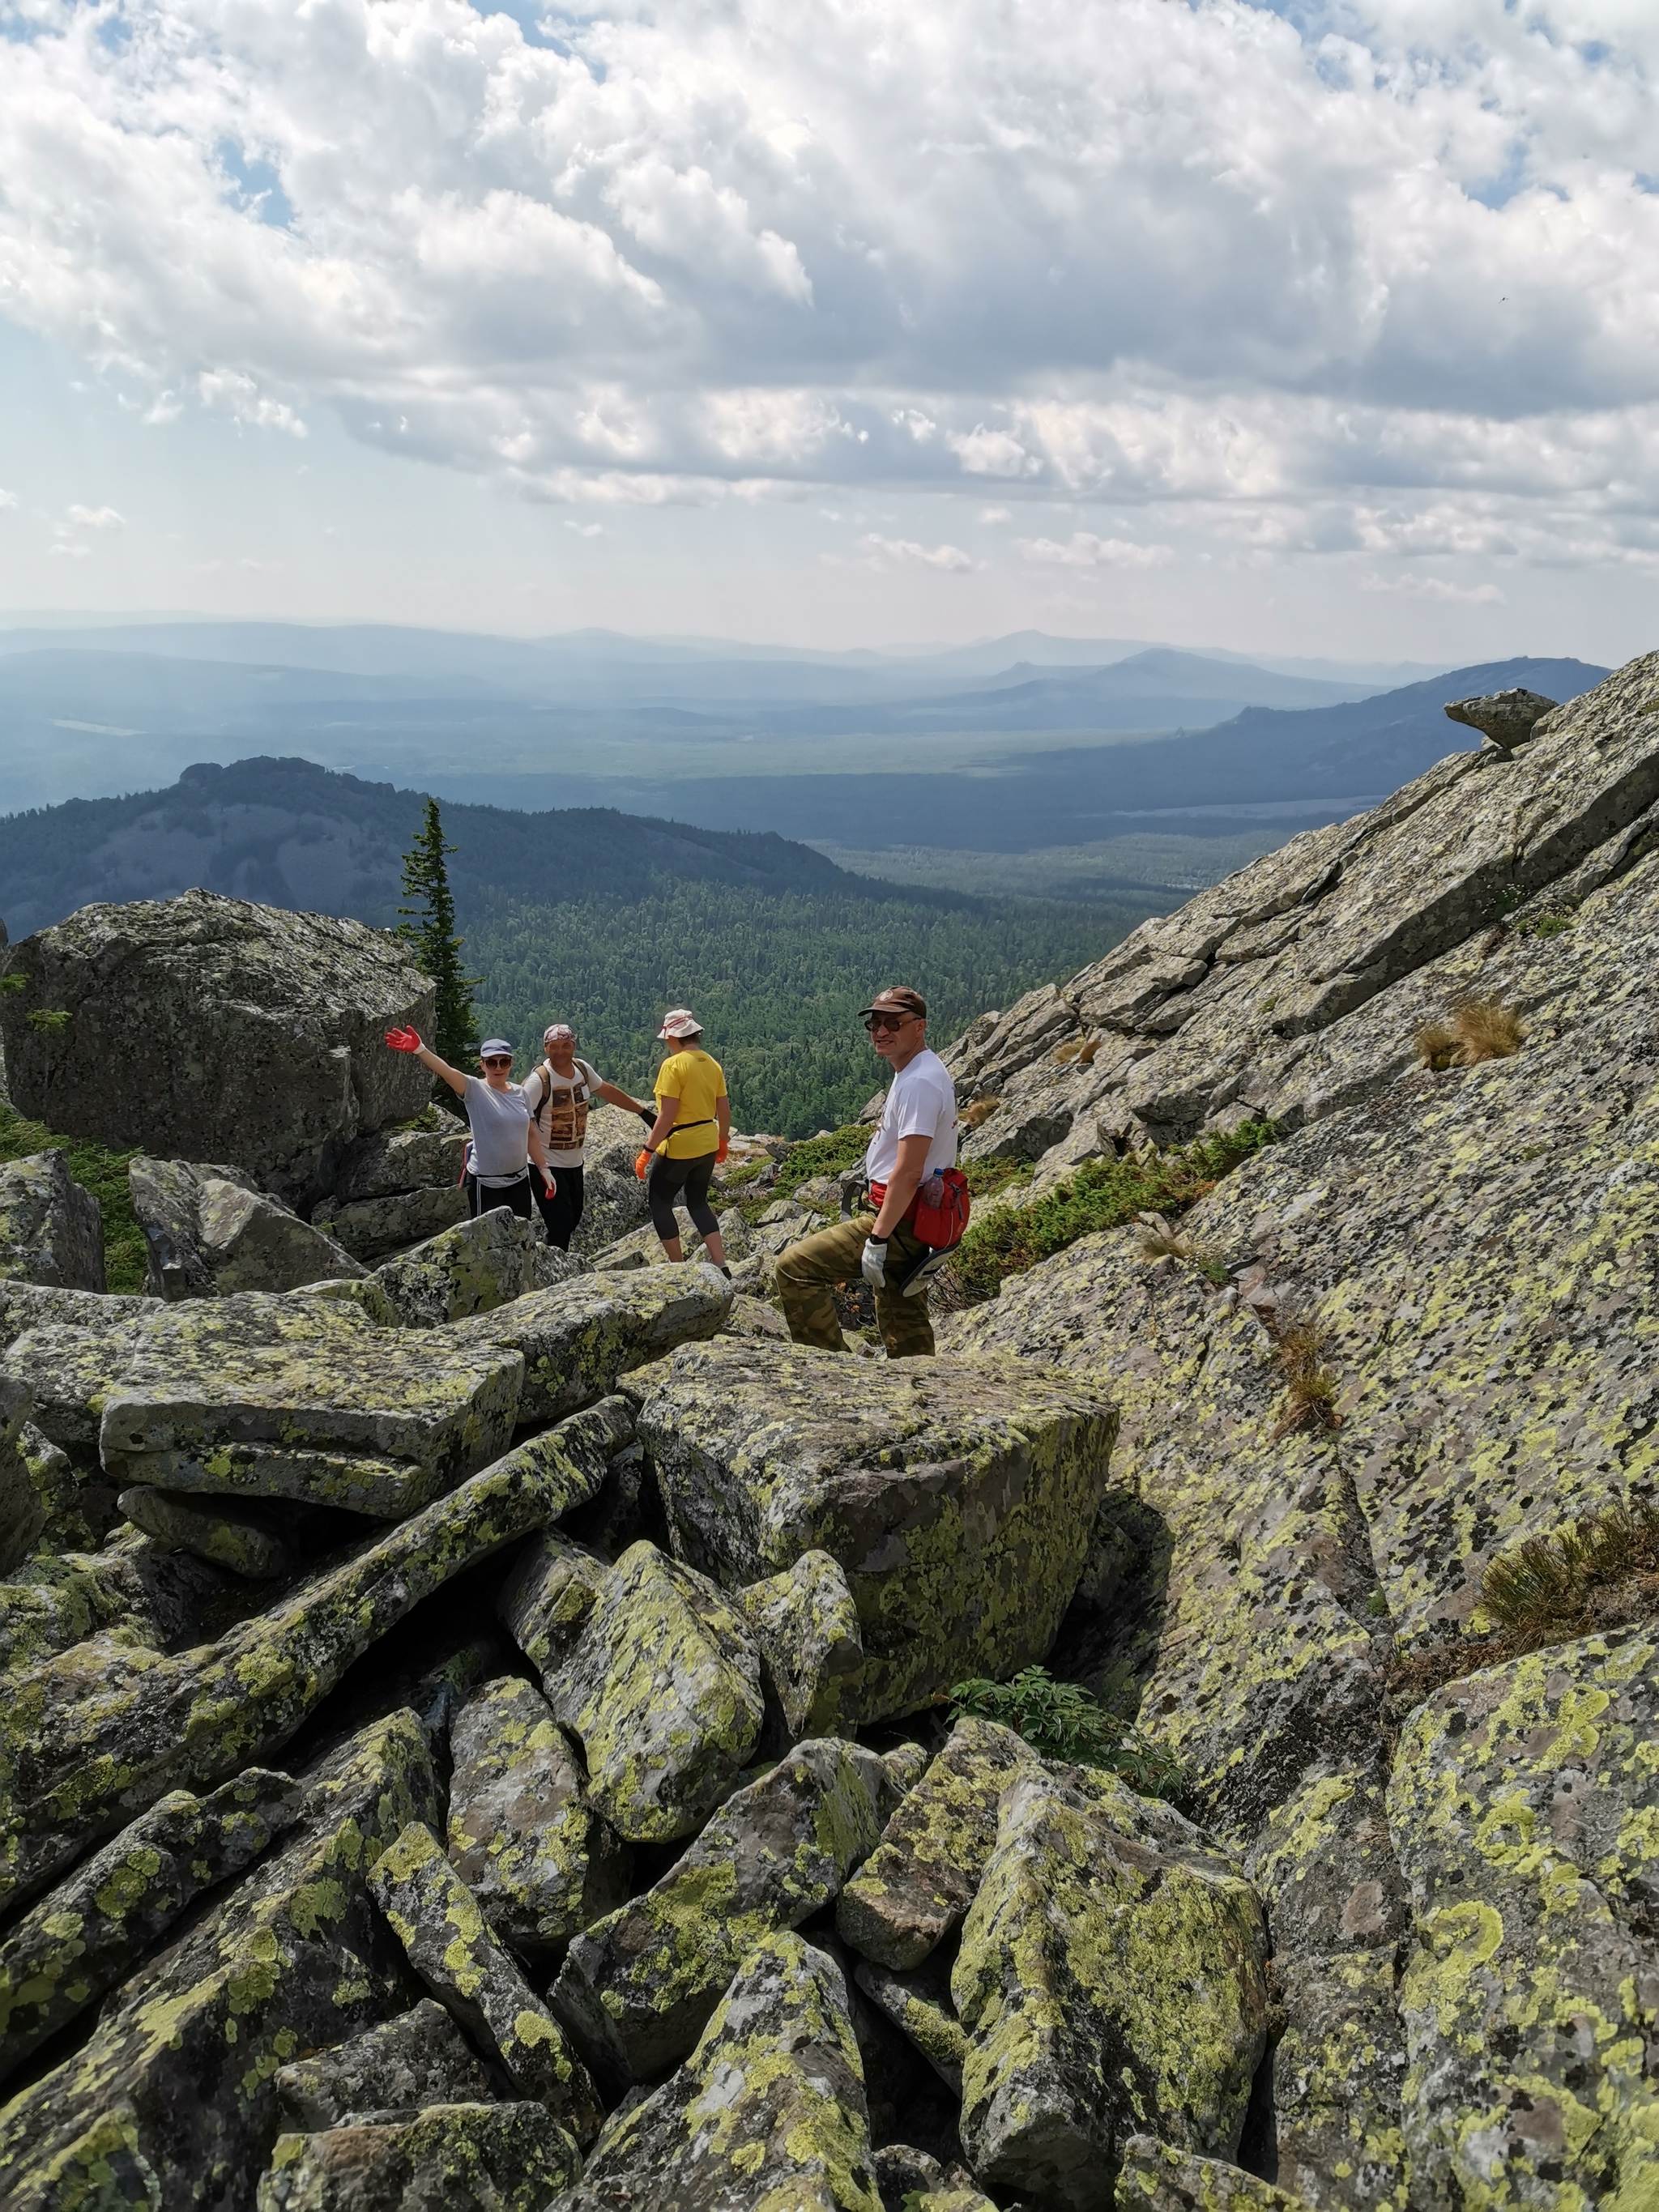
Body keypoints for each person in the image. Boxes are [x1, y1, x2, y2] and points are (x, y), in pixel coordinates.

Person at [774, 986, 957, 1358]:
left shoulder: (919, 1083)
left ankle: (829, 1370)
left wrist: (878, 1238)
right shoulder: (918, 1070)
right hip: (914, 1216)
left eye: (894, 1023)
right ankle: (924, 1390)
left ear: (919, 1027)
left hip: (900, 1218)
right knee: (901, 1312)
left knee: (795, 1269)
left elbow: (908, 1172)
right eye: (875, 1023)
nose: (881, 1031)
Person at [383, 1027, 556, 1224]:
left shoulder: (520, 1093)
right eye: (491, 1062)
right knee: (489, 1242)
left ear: (511, 1064)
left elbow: (530, 1134)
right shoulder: (474, 1089)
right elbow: (447, 1072)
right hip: (486, 1184)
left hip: (519, 1181)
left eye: (504, 1062)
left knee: (521, 1235)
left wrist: (544, 1168)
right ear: (482, 1065)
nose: (498, 1068)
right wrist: (420, 1049)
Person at [520, 1023, 655, 1251]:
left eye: (566, 1045)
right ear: (546, 1048)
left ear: (574, 1045)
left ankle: (544, 1255)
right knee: (561, 1224)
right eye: (554, 1046)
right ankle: (553, 1272)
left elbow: (607, 1091)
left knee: (573, 1219)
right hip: (546, 1165)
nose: (560, 1051)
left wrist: (642, 1111)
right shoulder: (539, 1081)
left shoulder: (581, 1070)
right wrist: (539, 1165)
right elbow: (521, 1119)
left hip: (574, 1163)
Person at [640, 1008, 731, 1271]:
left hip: (680, 1144)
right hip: (707, 1142)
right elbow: (724, 1110)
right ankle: (721, 1263)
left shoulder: (673, 1065)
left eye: (666, 1038)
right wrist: (722, 1140)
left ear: (674, 1037)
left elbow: (667, 1116)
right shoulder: (712, 1064)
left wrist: (648, 1150)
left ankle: (678, 1269)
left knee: (660, 1202)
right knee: (698, 1201)